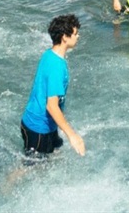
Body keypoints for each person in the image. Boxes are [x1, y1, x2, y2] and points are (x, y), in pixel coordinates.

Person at [20, 14, 85, 157]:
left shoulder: (49, 54)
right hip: (38, 129)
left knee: (55, 153)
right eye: (75, 34)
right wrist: (72, 135)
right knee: (30, 166)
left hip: (43, 124)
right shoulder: (57, 67)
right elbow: (51, 106)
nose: (78, 36)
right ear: (65, 37)